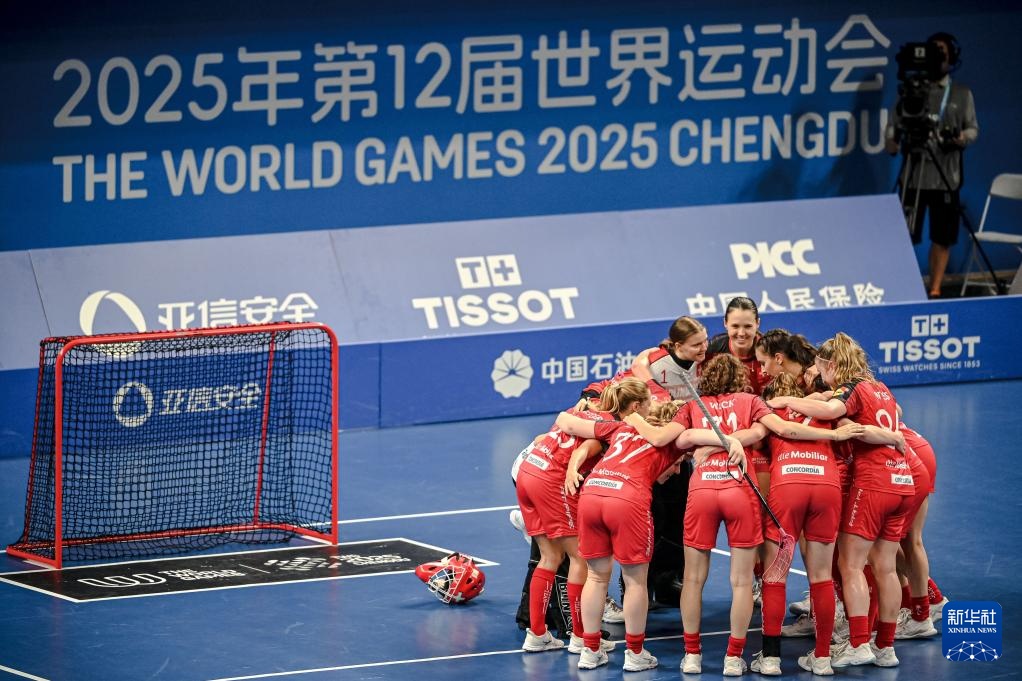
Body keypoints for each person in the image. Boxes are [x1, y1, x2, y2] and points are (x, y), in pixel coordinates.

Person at [555, 380, 744, 672]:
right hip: (627, 497)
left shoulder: (619, 427)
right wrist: (732, 442)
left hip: (592, 492)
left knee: (596, 577)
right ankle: (634, 653)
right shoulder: (673, 439)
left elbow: (567, 422)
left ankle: (589, 650)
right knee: (634, 581)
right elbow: (698, 434)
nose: (677, 470)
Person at [766, 333, 913, 669]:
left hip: (873, 483)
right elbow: (887, 416)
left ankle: (858, 643)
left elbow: (833, 409)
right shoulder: (880, 387)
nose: (821, 375)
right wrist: (889, 435)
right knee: (886, 567)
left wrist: (786, 401)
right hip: (901, 480)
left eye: (821, 368)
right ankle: (885, 647)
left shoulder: (850, 387)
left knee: (851, 565)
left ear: (831, 364)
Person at [515, 401, 617, 654]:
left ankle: (537, 634)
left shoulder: (579, 413)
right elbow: (584, 449)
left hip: (527, 469)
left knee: (550, 556)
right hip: (550, 479)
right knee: (580, 557)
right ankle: (581, 636)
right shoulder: (610, 427)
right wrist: (572, 468)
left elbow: (541, 438)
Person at [885, 32, 979, 298]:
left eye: (943, 54)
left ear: (952, 58)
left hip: (945, 176)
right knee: (904, 235)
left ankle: (935, 289)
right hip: (913, 175)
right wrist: (891, 140)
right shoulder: (910, 90)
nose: (937, 60)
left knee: (942, 236)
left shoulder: (961, 94)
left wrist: (960, 138)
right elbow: (894, 124)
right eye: (933, 53)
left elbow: (973, 129)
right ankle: (902, 287)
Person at [705, 297, 770, 395]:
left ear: (757, 323)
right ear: (725, 323)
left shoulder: (771, 351)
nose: (741, 333)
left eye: (748, 326)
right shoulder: (712, 350)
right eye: (735, 326)